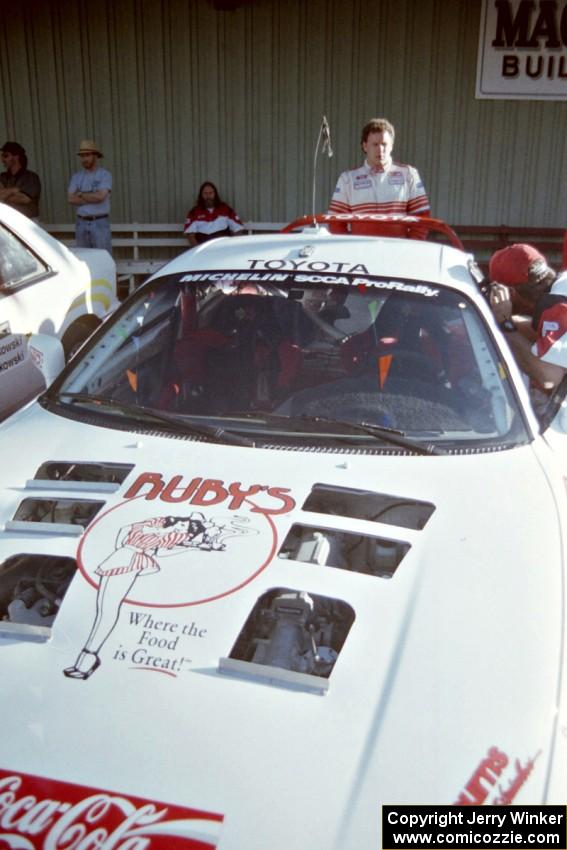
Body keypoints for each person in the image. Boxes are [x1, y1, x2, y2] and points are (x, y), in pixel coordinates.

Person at [488, 243, 567, 393]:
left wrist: (504, 326)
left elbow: (550, 377)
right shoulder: (561, 286)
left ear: (509, 293)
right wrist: (513, 323)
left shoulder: (555, 305)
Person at [328, 118, 430, 217]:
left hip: (397, 235)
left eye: (384, 144)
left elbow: (422, 218)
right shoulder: (347, 179)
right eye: (375, 144)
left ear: (392, 146)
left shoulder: (409, 174)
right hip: (360, 235)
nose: (380, 149)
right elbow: (336, 221)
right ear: (365, 146)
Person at [68, 139, 112, 254]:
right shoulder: (77, 177)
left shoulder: (104, 175)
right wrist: (92, 197)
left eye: (87, 155)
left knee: (103, 257)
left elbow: (101, 197)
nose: (84, 159)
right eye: (82, 156)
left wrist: (81, 194)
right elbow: (71, 198)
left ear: (95, 156)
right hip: (81, 222)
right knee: (84, 257)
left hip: (99, 222)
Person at [184, 181, 244, 247]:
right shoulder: (194, 212)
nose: (208, 196)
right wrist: (199, 252)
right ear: (201, 195)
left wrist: (231, 247)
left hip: (223, 249)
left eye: (210, 193)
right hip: (204, 249)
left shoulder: (225, 209)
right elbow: (190, 236)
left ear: (215, 194)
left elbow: (238, 229)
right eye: (205, 193)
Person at [0, 141, 41, 220]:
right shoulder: (2, 177)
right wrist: (14, 190)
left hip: (29, 221)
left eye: (5, 156)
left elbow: (25, 199)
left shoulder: (31, 177)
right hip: (7, 222)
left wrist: (4, 195)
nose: (2, 159)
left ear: (16, 157)